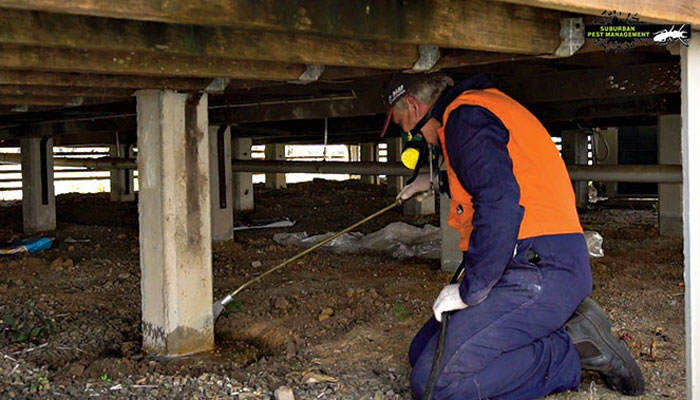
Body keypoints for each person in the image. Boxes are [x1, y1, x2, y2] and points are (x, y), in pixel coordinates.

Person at [382, 73, 645, 400]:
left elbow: (501, 203)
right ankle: (542, 330)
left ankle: (567, 349)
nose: (412, 136)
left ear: (414, 105)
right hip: (532, 259)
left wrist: (472, 288)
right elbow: (505, 178)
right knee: (421, 351)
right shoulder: (478, 108)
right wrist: (435, 182)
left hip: (540, 268)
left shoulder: (464, 119)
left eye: (407, 126)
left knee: (435, 383)